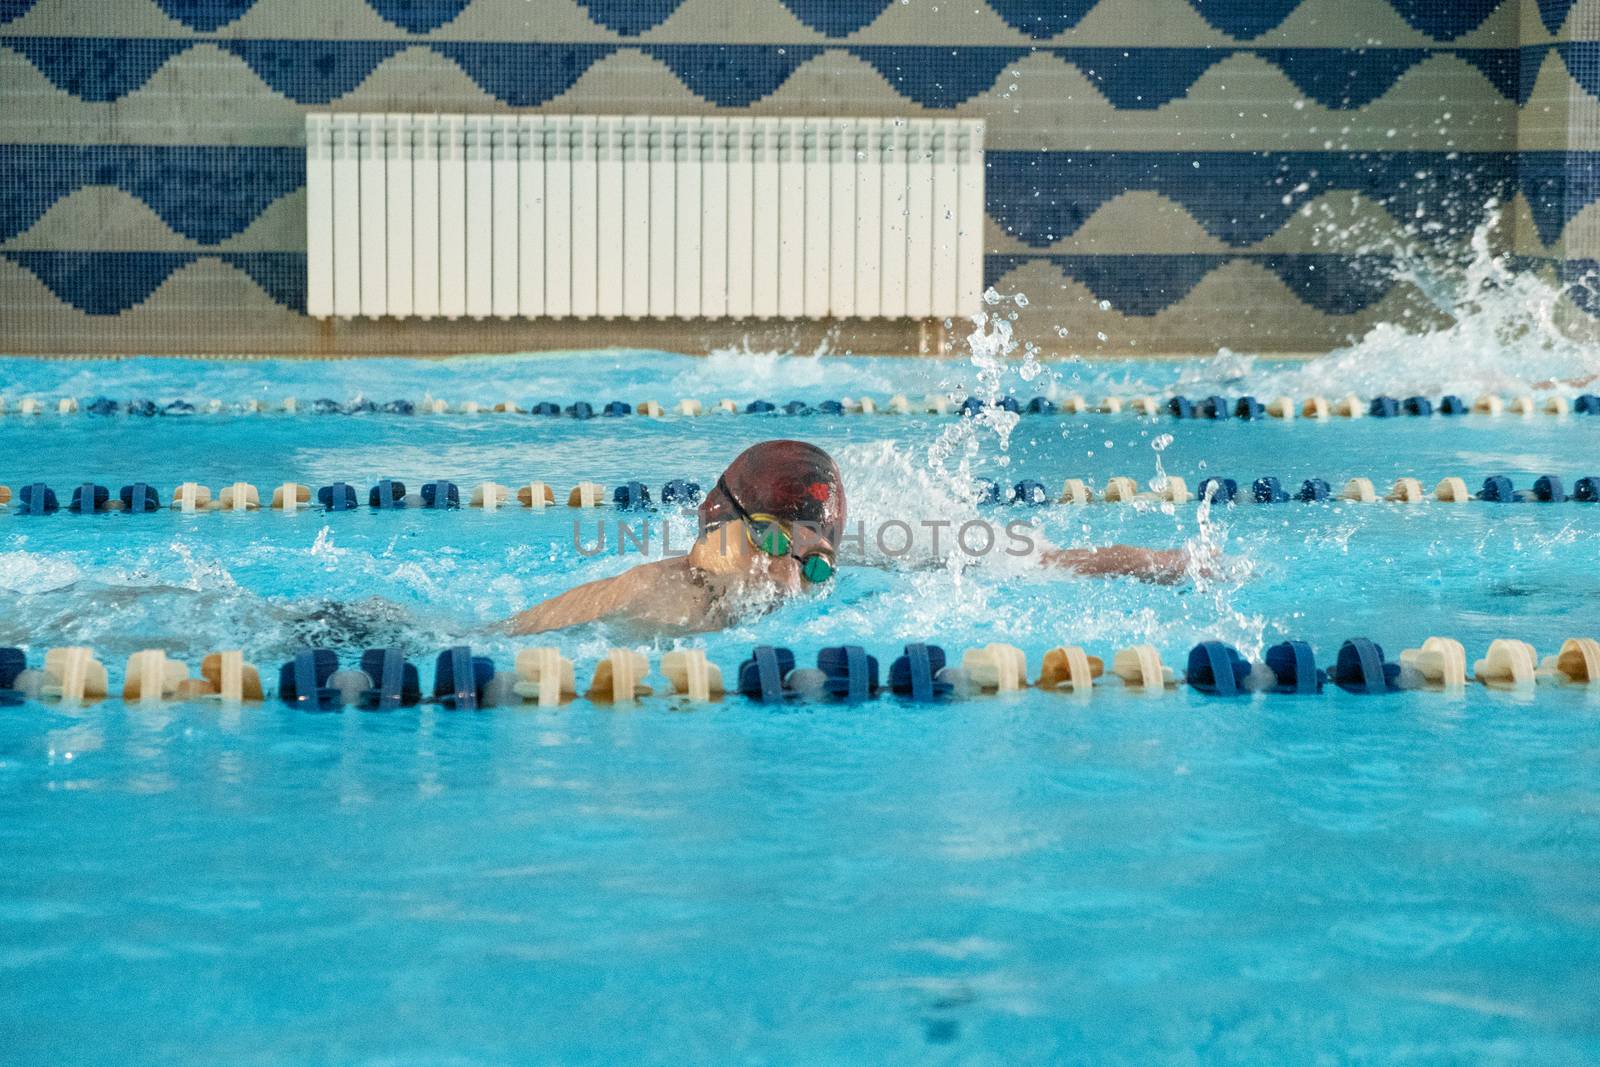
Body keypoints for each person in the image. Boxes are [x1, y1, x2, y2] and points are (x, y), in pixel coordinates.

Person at [506, 440, 1201, 636]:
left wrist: (1169, 563)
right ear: (723, 523)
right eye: (774, 548)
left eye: (813, 570)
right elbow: (497, 637)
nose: (786, 583)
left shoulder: (885, 549)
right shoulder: (655, 593)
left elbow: (1049, 562)